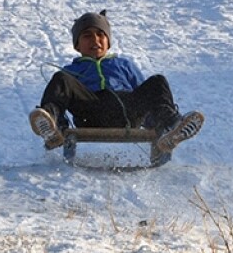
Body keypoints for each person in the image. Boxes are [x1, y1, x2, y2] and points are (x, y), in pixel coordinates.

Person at [29, 10, 204, 160]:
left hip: (127, 112)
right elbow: (63, 96)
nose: (95, 40)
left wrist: (152, 125)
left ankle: (169, 127)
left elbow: (145, 95)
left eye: (100, 35)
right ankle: (52, 126)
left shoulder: (123, 65)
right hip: (91, 113)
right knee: (61, 79)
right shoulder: (71, 71)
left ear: (108, 41)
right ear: (77, 44)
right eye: (87, 36)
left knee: (157, 82)